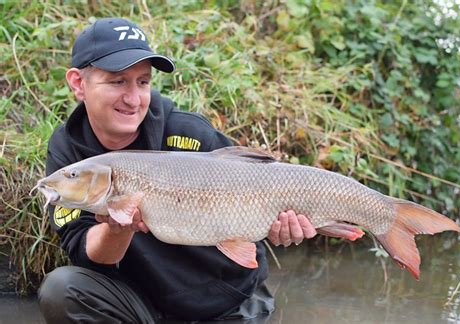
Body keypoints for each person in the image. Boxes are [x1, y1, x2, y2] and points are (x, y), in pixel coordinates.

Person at [37, 17, 316, 323]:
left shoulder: (188, 132)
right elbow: (86, 254)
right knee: (62, 288)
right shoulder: (69, 152)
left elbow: (260, 189)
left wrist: (282, 228)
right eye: (118, 81)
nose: (133, 99)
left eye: (143, 82)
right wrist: (118, 229)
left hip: (229, 302)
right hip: (145, 303)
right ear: (78, 83)